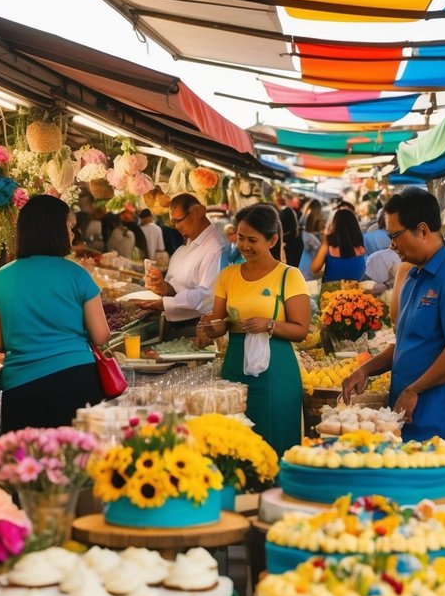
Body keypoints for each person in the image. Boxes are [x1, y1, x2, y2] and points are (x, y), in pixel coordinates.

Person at [342, 187, 445, 449]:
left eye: (395, 235)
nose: (391, 244)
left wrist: (414, 389)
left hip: (439, 415)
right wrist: (365, 369)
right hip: (407, 413)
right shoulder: (414, 276)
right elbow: (408, 344)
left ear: (422, 230)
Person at [0, 194, 110, 432]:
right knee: (78, 461)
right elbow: (101, 335)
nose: (73, 235)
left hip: (22, 388)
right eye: (69, 228)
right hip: (76, 381)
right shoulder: (77, 274)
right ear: (54, 230)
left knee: (29, 463)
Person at [198, 203, 311, 454]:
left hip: (276, 370)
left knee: (275, 439)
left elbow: (301, 329)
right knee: (237, 440)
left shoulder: (289, 276)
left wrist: (268, 325)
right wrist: (209, 326)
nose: (244, 246)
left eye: (252, 240)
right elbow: (218, 325)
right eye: (239, 238)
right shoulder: (228, 275)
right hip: (236, 363)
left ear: (272, 240)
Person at [136, 194, 223, 338]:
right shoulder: (184, 248)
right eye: (173, 222)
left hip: (197, 330)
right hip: (174, 326)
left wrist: (164, 303)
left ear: (198, 211)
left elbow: (207, 297)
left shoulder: (216, 248)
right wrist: (162, 286)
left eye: (179, 220)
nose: (177, 226)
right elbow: (176, 289)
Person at [310, 206, 367, 282]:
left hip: (331, 292)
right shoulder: (360, 243)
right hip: (356, 291)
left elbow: (314, 269)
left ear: (335, 225)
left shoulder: (328, 241)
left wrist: (324, 243)